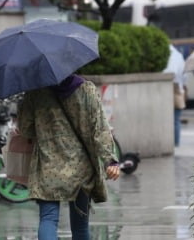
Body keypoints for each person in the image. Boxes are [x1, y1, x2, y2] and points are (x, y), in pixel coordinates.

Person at [17, 74, 120, 240]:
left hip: (48, 167)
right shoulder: (86, 89)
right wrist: (110, 160)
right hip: (81, 169)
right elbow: (99, 129)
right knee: (80, 227)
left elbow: (26, 130)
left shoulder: (35, 93)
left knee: (48, 219)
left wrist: (22, 106)